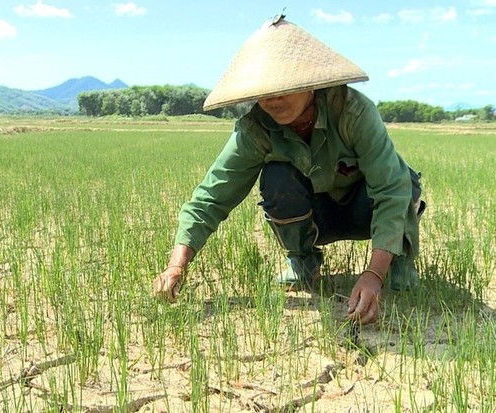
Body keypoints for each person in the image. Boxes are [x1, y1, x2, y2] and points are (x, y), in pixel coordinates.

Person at [152, 16, 425, 325]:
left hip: (366, 209)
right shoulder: (256, 130)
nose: (273, 101)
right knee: (276, 177)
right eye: (265, 92)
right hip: (317, 217)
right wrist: (177, 266)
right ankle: (303, 263)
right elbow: (211, 198)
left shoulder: (353, 112)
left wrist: (375, 273)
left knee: (405, 180)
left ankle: (397, 258)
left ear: (310, 84)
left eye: (284, 89)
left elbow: (390, 189)